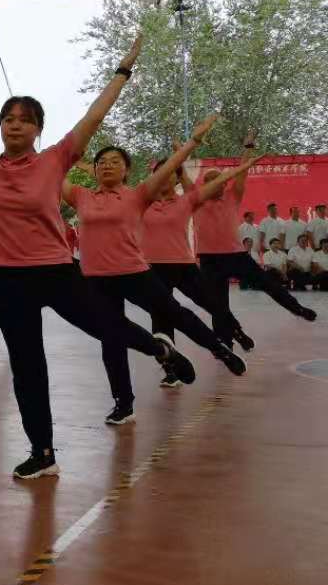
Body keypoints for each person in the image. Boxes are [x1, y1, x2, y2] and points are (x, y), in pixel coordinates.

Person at [0, 34, 198, 480]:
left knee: (107, 325)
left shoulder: (55, 159)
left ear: (38, 129)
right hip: (3, 278)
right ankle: (42, 451)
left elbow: (95, 115)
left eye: (25, 120)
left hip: (55, 271)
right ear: (0, 127)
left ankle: (157, 347)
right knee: (27, 366)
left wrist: (122, 71)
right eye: (8, 119)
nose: (15, 126)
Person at [63, 121, 246, 425]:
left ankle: (220, 349)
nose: (107, 166)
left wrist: (193, 142)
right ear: (94, 170)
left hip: (134, 273)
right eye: (101, 162)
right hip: (95, 279)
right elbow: (50, 176)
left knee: (175, 314)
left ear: (127, 170)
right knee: (111, 339)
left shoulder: (138, 194)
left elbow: (170, 167)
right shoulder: (81, 196)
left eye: (115, 162)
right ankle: (124, 403)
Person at [143, 157, 260, 365]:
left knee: (214, 304)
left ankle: (236, 332)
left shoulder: (188, 200)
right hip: (154, 268)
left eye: (171, 172)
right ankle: (170, 364)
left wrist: (245, 160)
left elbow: (216, 184)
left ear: (178, 178)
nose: (165, 176)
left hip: (184, 265)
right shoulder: (141, 202)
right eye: (161, 172)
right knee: (161, 315)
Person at [193, 133, 315, 332]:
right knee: (219, 304)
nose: (218, 183)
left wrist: (248, 147)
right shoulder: (195, 201)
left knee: (269, 284)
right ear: (204, 185)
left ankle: (297, 308)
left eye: (221, 179)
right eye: (212, 180)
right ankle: (226, 339)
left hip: (236, 256)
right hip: (210, 259)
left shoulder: (233, 195)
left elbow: (242, 171)